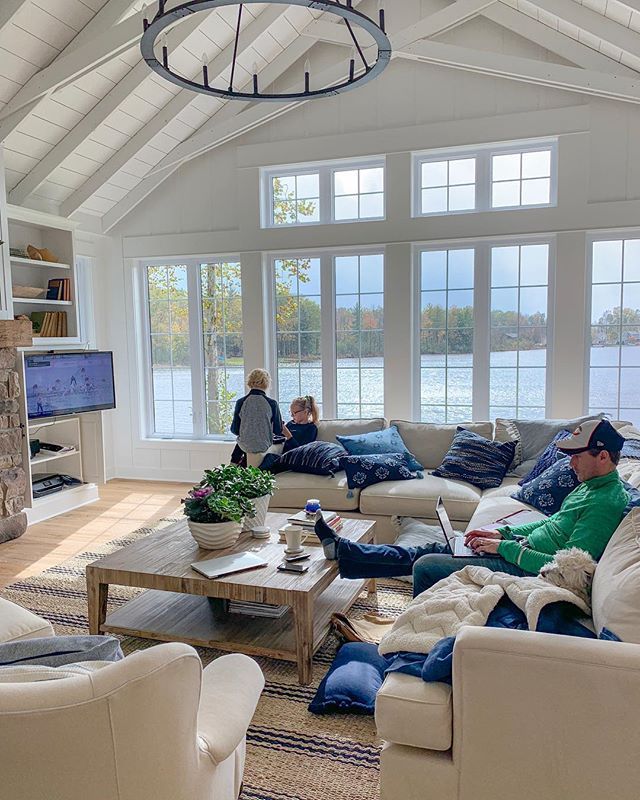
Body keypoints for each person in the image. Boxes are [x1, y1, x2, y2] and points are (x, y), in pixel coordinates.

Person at [313, 418, 629, 597]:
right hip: (517, 549)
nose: (571, 461)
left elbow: (566, 570)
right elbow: (550, 526)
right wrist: (500, 532)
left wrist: (505, 548)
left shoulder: (605, 501)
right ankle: (345, 553)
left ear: (603, 456)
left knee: (427, 564)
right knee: (437, 546)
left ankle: (414, 639)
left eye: (578, 455)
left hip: (524, 566)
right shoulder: (589, 486)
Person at [229, 369, 284, 468]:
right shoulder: (272, 403)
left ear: (249, 382)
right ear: (267, 383)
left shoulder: (240, 402)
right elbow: (278, 430)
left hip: (244, 445)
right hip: (264, 445)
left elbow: (235, 430)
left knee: (244, 442)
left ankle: (233, 465)